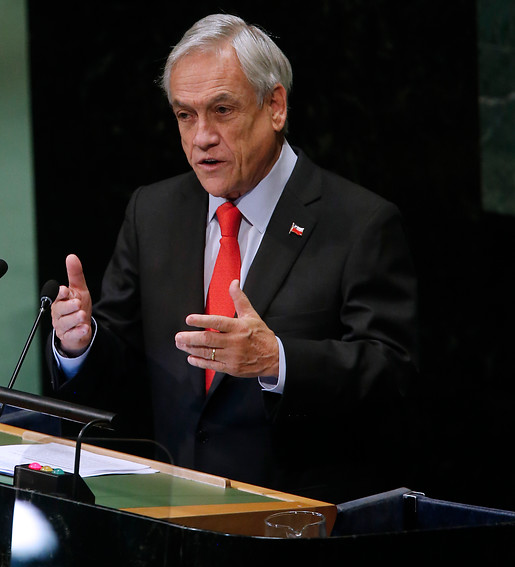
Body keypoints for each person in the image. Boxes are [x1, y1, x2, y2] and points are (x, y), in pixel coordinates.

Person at [46, 14, 419, 503]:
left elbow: (392, 375)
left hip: (296, 527)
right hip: (172, 519)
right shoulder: (153, 212)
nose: (201, 136)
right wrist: (81, 345)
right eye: (185, 115)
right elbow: (126, 364)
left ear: (275, 106)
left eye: (222, 110)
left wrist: (278, 359)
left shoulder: (359, 222)